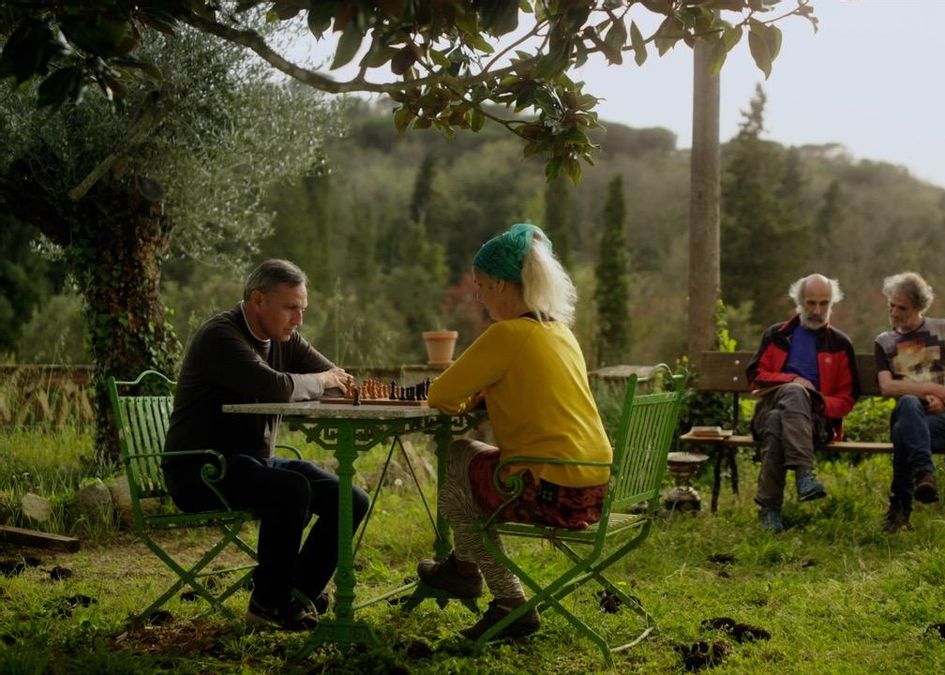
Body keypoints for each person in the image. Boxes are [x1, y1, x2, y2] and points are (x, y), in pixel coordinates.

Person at [418, 222, 611, 641]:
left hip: (547, 492)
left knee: (457, 461)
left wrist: (466, 399)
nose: (479, 296)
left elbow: (441, 394)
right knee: (470, 464)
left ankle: (503, 597)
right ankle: (462, 569)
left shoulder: (507, 333)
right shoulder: (559, 332)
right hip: (592, 489)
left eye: (480, 285)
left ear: (502, 285)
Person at [162, 259, 369, 630]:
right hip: (201, 469)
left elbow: (338, 380)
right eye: (291, 308)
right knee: (291, 489)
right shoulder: (220, 336)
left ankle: (297, 593)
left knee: (350, 499)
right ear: (258, 300)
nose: (298, 319)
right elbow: (276, 387)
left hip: (252, 465)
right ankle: (268, 605)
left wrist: (322, 381)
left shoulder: (284, 339)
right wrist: (318, 381)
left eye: (302, 309)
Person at [745, 274, 859, 532]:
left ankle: (769, 510)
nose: (817, 311)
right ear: (799, 301)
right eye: (811, 303)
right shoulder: (776, 335)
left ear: (832, 303)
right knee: (792, 394)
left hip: (814, 423)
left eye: (823, 303)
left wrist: (816, 402)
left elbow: (848, 398)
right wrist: (793, 380)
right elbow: (755, 377)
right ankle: (804, 474)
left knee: (778, 420)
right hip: (769, 407)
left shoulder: (840, 344)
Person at [874, 272, 945, 534]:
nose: (894, 312)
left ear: (919, 307)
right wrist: (929, 389)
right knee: (908, 403)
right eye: (891, 306)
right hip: (910, 412)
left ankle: (899, 510)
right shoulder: (884, 342)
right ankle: (923, 474)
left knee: (903, 433)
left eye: (902, 308)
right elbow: (887, 387)